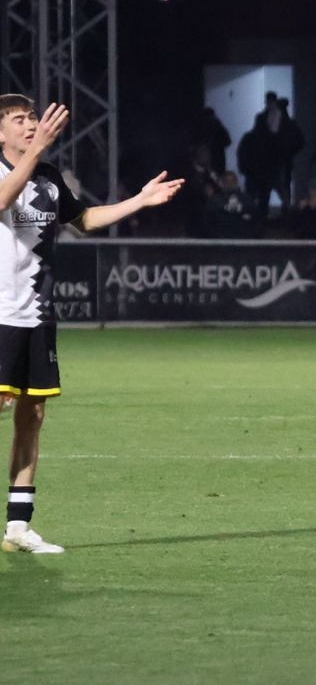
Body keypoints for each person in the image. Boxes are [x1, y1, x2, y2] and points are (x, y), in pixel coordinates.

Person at [0, 94, 184, 553]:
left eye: (32, 117)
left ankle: (18, 528)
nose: (30, 124)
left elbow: (83, 220)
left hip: (37, 314)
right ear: (0, 133)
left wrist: (139, 200)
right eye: (18, 120)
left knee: (32, 415)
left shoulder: (47, 177)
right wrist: (37, 150)